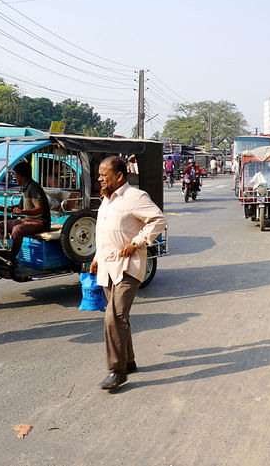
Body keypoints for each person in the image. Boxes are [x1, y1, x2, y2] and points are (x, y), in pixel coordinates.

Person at [89, 156, 166, 390]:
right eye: (99, 174)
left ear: (119, 176)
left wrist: (137, 242)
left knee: (113, 318)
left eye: (104, 174)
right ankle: (129, 361)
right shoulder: (106, 200)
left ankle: (116, 370)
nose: (99, 178)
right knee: (120, 318)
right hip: (107, 267)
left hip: (128, 267)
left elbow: (158, 219)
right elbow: (105, 233)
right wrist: (95, 259)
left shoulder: (135, 197)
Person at [0, 161, 51, 264]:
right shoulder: (26, 187)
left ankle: (11, 258)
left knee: (17, 230)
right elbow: (19, 207)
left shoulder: (33, 188)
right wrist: (0, 208)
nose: (15, 178)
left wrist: (22, 212)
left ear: (21, 175)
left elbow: (40, 209)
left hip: (41, 222)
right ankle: (5, 252)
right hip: (27, 220)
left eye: (15, 175)